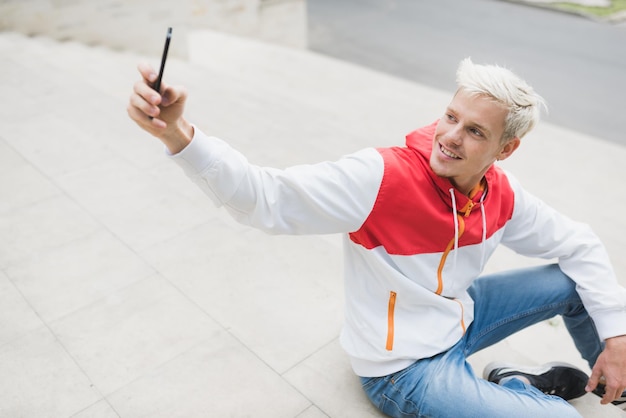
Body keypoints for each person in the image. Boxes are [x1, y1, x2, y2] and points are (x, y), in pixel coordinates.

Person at [128, 57, 626, 417]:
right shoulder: (381, 177)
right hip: (402, 368)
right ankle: (520, 390)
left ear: (506, 148)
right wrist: (178, 134)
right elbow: (265, 197)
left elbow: (579, 243)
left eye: (475, 131)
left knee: (579, 283)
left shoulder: (501, 193)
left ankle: (611, 383)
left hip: (457, 318)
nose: (450, 136)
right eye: (451, 117)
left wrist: (617, 340)